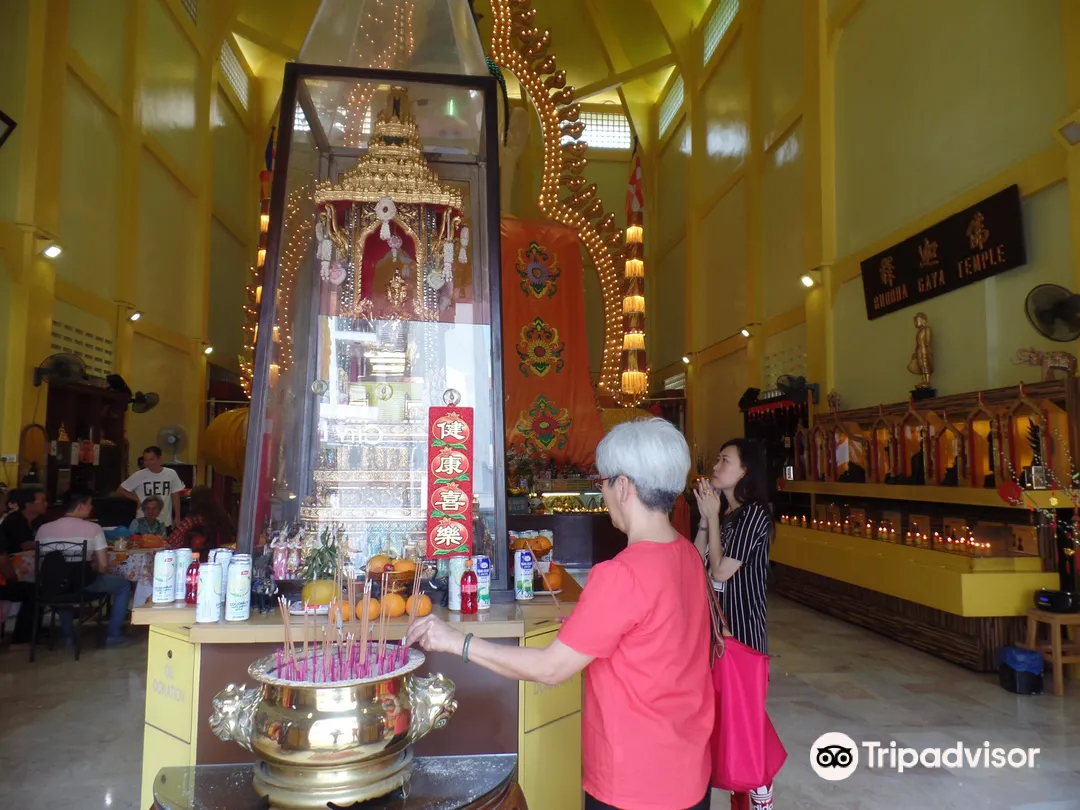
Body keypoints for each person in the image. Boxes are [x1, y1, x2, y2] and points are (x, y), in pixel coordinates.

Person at [407, 419, 714, 810]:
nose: (602, 492)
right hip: (689, 771)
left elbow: (551, 668)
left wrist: (457, 641)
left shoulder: (621, 574)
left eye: (602, 482)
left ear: (623, 486)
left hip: (636, 782)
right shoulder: (686, 554)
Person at [693, 438, 775, 810]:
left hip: (742, 634)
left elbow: (721, 571)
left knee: (745, 720)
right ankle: (744, 792)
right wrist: (705, 518)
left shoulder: (755, 514)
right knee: (725, 721)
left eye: (725, 460)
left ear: (745, 472)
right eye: (718, 458)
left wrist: (712, 517)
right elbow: (697, 561)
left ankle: (760, 791)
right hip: (717, 634)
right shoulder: (728, 516)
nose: (716, 465)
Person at [36, 487, 132, 645]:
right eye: (90, 504)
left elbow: (44, 565)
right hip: (83, 583)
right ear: (80, 506)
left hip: (52, 586)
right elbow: (103, 566)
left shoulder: (43, 529)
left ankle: (68, 636)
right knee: (123, 585)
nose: (91, 507)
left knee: (62, 586)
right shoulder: (93, 528)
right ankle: (113, 635)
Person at [119, 446, 184, 528]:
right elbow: (121, 489)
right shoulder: (139, 475)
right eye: (146, 460)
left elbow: (175, 495)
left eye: (151, 459)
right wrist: (137, 499)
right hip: (143, 521)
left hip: (164, 521)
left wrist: (177, 516)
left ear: (160, 459)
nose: (148, 463)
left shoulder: (171, 474)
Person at [166, 486, 235, 551]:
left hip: (196, 558)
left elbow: (170, 543)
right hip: (222, 555)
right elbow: (233, 538)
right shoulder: (225, 517)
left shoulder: (191, 520)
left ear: (193, 501)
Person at [0, 487, 47, 554]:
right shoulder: (13, 520)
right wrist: (49, 543)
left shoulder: (42, 520)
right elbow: (24, 546)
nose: (46, 504)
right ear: (28, 504)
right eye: (43, 501)